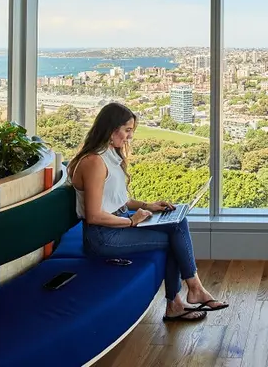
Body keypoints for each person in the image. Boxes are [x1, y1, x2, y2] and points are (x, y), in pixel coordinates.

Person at [67, 102, 228, 322]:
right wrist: (132, 222)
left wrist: (148, 205)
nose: (129, 137)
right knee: (174, 240)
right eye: (127, 130)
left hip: (116, 224)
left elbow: (117, 200)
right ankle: (182, 299)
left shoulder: (109, 155)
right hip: (102, 236)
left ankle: (191, 291)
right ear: (112, 129)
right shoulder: (94, 162)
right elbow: (95, 215)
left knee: (177, 222)